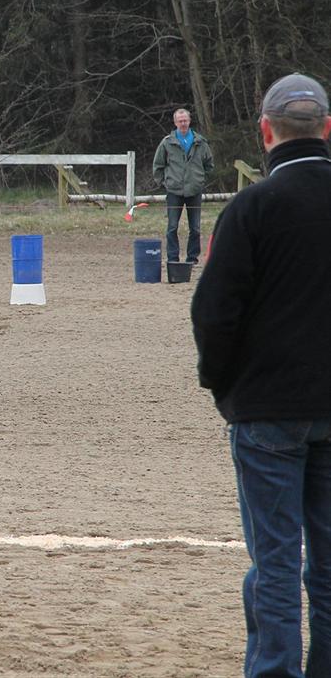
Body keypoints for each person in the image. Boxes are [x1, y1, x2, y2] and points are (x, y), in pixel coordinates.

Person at [190, 72, 331, 678]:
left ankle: (275, 670)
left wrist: (222, 386)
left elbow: (214, 311)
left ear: (266, 132)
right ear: (327, 129)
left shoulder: (252, 208)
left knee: (275, 561)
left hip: (267, 408)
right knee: (326, 564)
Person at [152, 107, 215, 263]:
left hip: (194, 191)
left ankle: (192, 258)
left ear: (189, 121)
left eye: (185, 120)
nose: (183, 123)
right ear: (175, 122)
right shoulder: (167, 143)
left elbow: (209, 164)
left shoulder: (200, 142)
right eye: (180, 121)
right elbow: (158, 165)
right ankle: (173, 257)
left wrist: (199, 180)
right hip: (174, 191)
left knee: (195, 228)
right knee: (172, 227)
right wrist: (164, 182)